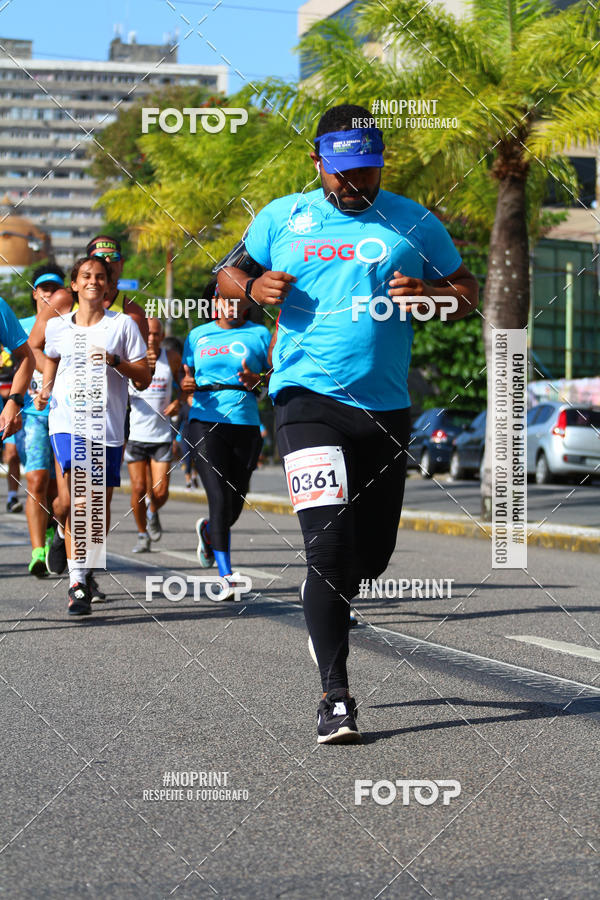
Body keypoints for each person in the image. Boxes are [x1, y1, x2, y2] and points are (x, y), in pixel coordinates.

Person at [217, 104, 479, 743]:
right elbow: (227, 273)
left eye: (368, 170)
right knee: (328, 549)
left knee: (373, 555)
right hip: (305, 400)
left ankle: (333, 603)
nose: (356, 184)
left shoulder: (414, 219)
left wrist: (433, 299)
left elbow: (466, 291)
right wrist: (252, 292)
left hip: (386, 411)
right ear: (318, 164)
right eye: (344, 173)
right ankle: (335, 695)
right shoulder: (283, 216)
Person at [35, 256, 150, 616]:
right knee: (83, 500)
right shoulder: (58, 326)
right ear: (74, 284)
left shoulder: (123, 327)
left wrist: (116, 362)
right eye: (86, 276)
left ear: (108, 286)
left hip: (109, 427)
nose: (93, 282)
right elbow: (49, 355)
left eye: (100, 277)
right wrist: (46, 389)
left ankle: (71, 549)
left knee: (93, 510)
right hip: (67, 422)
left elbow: (143, 377)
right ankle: (78, 583)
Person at [179, 286, 271, 599]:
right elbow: (186, 375)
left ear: (246, 305)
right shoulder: (197, 336)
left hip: (245, 422)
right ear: (214, 303)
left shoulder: (259, 334)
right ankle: (226, 575)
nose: (230, 306)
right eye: (223, 300)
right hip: (205, 419)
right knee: (218, 498)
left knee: (235, 502)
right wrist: (186, 384)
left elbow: (275, 376)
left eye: (237, 301)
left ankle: (208, 531)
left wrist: (259, 380)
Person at [13, 264, 65, 575]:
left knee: (60, 494)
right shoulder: (20, 327)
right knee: (35, 480)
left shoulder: (71, 325)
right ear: (35, 293)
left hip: (64, 415)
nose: (48, 295)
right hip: (32, 415)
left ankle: (54, 531)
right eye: (43, 289)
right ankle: (36, 552)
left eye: (55, 290)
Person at [125, 316, 181, 552]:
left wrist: (179, 402)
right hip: (136, 435)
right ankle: (141, 534)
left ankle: (152, 509)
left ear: (161, 337)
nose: (151, 338)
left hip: (161, 436)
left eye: (156, 334)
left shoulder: (172, 359)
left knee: (160, 491)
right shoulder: (129, 360)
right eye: (147, 333)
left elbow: (187, 387)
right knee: (138, 488)